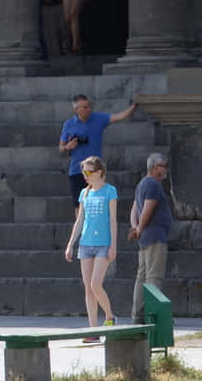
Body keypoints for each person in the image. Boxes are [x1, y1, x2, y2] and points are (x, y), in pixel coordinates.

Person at [65, 155, 119, 340]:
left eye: (88, 172)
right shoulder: (84, 193)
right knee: (88, 288)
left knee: (96, 284)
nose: (85, 175)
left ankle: (110, 315)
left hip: (103, 244)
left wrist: (113, 245)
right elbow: (80, 220)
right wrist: (71, 244)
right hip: (86, 244)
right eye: (84, 172)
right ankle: (93, 330)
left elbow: (113, 220)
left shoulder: (110, 191)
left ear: (99, 172)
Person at [59, 93, 139, 195]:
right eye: (85, 107)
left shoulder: (98, 118)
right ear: (77, 110)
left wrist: (134, 106)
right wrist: (67, 147)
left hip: (95, 171)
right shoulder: (69, 124)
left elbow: (119, 117)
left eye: (89, 106)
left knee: (96, 203)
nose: (89, 109)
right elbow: (60, 149)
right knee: (80, 205)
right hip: (77, 171)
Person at [128, 152, 171, 322]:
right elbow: (147, 208)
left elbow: (134, 209)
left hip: (144, 237)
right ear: (155, 168)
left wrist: (136, 227)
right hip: (154, 237)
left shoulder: (141, 184)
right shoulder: (153, 184)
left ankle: (137, 316)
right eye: (164, 166)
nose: (166, 170)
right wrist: (139, 228)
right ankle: (153, 317)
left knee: (142, 278)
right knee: (154, 278)